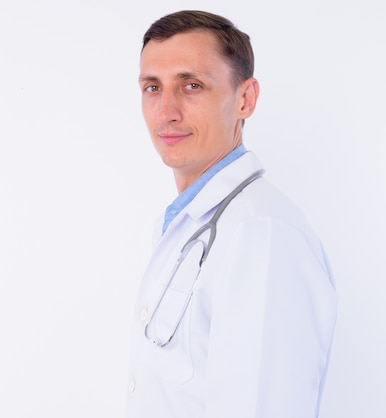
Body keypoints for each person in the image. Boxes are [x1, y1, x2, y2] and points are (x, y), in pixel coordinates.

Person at [126, 10, 337, 418]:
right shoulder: (188, 224)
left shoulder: (262, 235)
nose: (166, 111)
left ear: (246, 99)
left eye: (192, 85)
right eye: (152, 87)